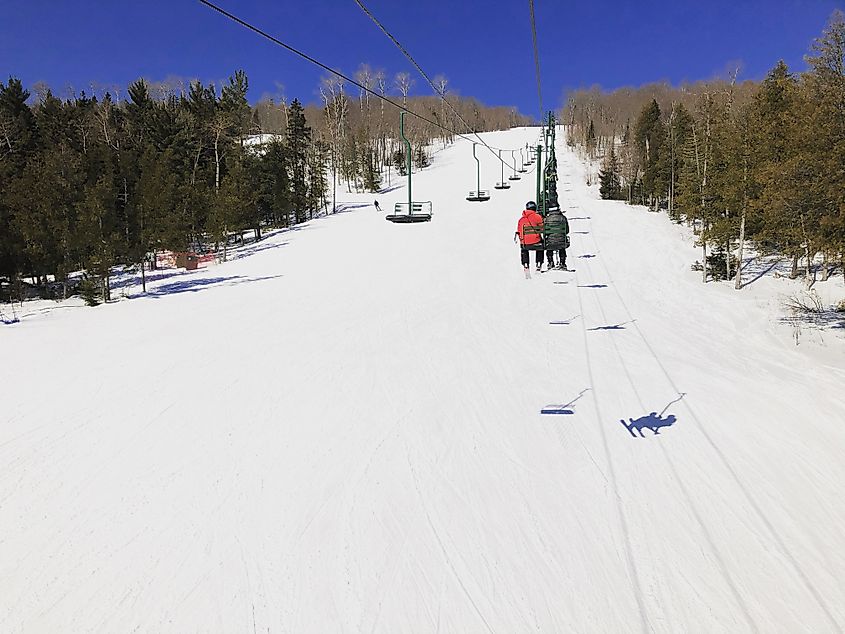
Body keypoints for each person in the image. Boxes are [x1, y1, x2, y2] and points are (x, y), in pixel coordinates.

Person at [515, 201, 545, 273]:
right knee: (541, 246)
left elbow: (519, 231)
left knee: (523, 249)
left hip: (525, 244)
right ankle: (538, 263)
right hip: (536, 242)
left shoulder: (521, 220)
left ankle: (525, 264)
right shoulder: (538, 217)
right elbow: (542, 229)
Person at [544, 205, 570, 270]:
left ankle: (550, 262)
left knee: (549, 245)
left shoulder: (547, 219)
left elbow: (545, 232)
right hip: (562, 241)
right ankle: (562, 262)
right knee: (561, 245)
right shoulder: (563, 218)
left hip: (550, 241)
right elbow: (567, 231)